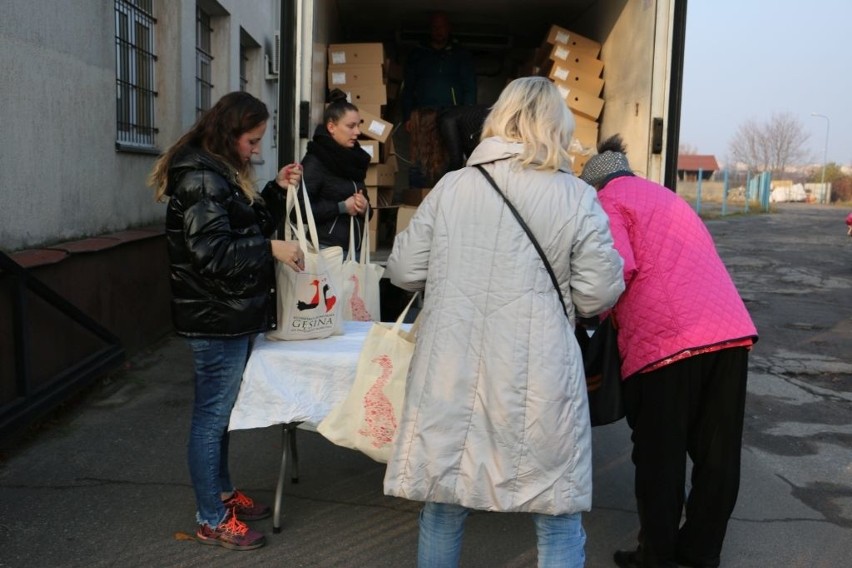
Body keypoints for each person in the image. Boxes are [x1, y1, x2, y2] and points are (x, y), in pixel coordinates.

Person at [382, 76, 625, 568]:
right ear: (556, 127)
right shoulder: (576, 196)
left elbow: (404, 271)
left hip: (451, 367)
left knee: (444, 501)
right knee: (556, 511)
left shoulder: (451, 188)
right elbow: (599, 291)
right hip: (540, 376)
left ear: (497, 120)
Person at [579, 135, 759, 568]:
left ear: (593, 183)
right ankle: (700, 552)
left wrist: (585, 316)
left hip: (667, 344)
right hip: (729, 332)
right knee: (718, 454)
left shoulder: (607, 201)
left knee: (661, 454)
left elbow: (615, 269)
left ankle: (655, 556)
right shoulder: (666, 197)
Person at [148, 91, 304, 551]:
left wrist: (275, 189)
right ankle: (212, 517)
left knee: (220, 416)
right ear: (228, 134)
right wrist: (272, 248)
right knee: (211, 418)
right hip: (215, 318)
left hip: (226, 314)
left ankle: (221, 494)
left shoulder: (215, 170)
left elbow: (244, 225)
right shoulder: (200, 176)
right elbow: (211, 254)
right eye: (252, 142)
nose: (256, 150)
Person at [401, 11, 477, 188]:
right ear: (430, 29)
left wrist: (467, 117)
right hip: (422, 114)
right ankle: (416, 200)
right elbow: (408, 88)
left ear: (449, 29)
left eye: (442, 27)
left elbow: (470, 88)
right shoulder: (418, 54)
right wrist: (406, 116)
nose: (438, 31)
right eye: (435, 27)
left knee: (450, 158)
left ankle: (447, 198)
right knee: (420, 159)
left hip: (450, 115)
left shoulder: (460, 54)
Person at [300, 88, 371, 254]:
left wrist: (365, 207)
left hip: (355, 252)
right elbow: (298, 212)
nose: (358, 132)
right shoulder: (315, 160)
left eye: (358, 125)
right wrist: (341, 207)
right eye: (351, 126)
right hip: (326, 253)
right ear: (331, 127)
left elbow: (366, 208)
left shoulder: (355, 160)